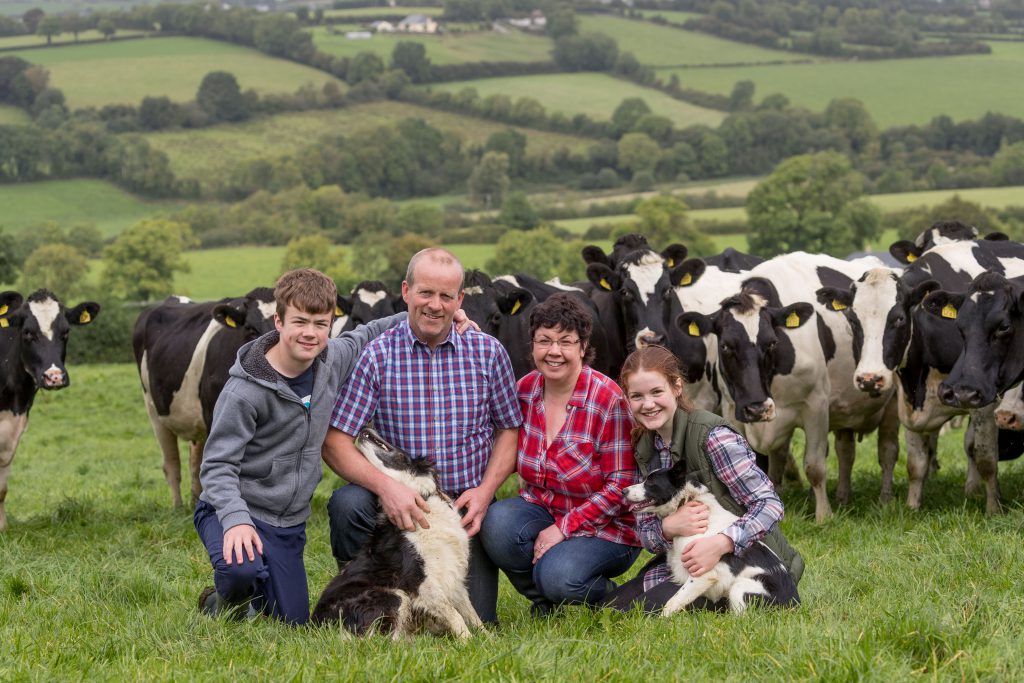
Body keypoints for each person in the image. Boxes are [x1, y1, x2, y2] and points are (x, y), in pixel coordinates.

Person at [324, 248, 521, 625]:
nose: (435, 305)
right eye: (426, 293)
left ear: (460, 300)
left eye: (447, 296)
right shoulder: (377, 355)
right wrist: (386, 487)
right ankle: (366, 591)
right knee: (348, 503)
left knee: (478, 618)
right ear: (407, 292)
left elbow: (509, 428)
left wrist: (485, 491)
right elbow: (336, 440)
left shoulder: (488, 352)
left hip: (463, 509)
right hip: (398, 511)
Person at [604, 345, 803, 613]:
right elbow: (647, 534)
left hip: (745, 568)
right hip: (687, 560)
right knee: (611, 609)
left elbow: (769, 505)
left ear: (676, 387)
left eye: (656, 392)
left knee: (640, 612)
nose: (647, 404)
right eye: (636, 396)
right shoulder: (645, 447)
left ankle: (723, 604)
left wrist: (722, 543)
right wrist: (668, 528)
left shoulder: (713, 436)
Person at [480, 294, 641, 617]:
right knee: (496, 524)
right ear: (533, 345)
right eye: (545, 341)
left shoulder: (607, 401)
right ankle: (546, 600)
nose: (554, 352)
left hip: (607, 527)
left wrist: (564, 528)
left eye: (566, 342)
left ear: (583, 347)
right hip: (544, 510)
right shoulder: (523, 392)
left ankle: (615, 598)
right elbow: (502, 449)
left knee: (559, 576)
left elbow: (621, 486)